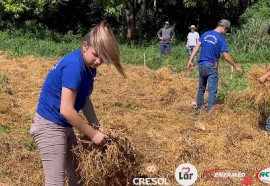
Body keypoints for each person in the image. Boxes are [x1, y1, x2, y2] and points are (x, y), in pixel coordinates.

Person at [29, 21, 125, 186]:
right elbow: (66, 109)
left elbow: (84, 97)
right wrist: (93, 134)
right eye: (96, 54)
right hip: (49, 125)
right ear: (85, 46)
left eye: (103, 57)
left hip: (64, 125)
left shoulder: (88, 66)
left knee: (78, 176)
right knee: (55, 182)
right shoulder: (75, 66)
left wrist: (96, 124)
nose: (98, 61)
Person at [188, 19, 243, 113]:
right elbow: (226, 56)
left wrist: (190, 60)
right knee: (212, 90)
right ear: (224, 28)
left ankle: (198, 109)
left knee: (201, 88)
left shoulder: (205, 34)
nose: (225, 32)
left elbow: (197, 46)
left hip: (201, 65)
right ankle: (210, 112)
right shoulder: (221, 39)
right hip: (211, 67)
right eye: (226, 30)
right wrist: (235, 66)